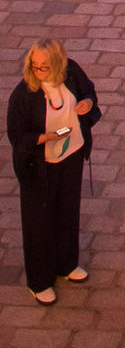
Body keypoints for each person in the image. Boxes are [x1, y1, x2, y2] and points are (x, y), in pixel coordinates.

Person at [7, 39, 101, 303]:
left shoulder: (71, 72)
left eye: (45, 66)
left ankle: (66, 264)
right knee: (38, 222)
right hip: (40, 165)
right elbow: (16, 135)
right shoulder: (24, 95)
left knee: (67, 210)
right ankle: (39, 282)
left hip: (71, 154)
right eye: (35, 66)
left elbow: (89, 93)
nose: (40, 71)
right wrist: (43, 138)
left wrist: (87, 105)